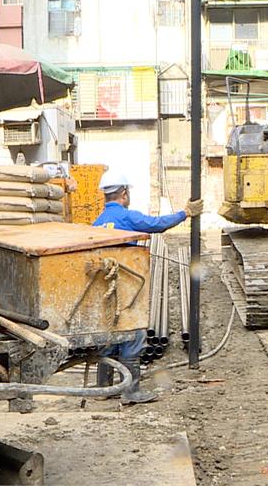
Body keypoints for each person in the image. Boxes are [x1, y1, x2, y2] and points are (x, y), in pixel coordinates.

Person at [92, 169, 204, 405]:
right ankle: (130, 391)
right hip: (126, 289)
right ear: (123, 193)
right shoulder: (127, 217)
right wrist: (185, 213)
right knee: (134, 334)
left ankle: (104, 388)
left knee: (109, 336)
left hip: (104, 291)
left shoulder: (97, 223)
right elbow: (156, 224)